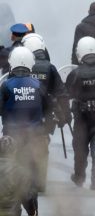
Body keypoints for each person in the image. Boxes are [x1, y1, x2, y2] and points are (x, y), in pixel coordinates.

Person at [21, 33, 69, 192]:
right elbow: (61, 93)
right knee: (42, 145)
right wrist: (66, 116)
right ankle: (40, 182)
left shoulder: (22, 66)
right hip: (46, 116)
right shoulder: (49, 67)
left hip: (24, 113)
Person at [0, 48, 49, 201]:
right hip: (35, 133)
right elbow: (47, 107)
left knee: (9, 163)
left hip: (11, 134)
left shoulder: (6, 86)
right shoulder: (38, 85)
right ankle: (36, 185)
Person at [66, 37, 95, 190]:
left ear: (80, 53)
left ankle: (79, 178)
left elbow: (66, 94)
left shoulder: (76, 74)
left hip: (81, 119)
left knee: (80, 149)